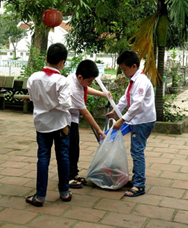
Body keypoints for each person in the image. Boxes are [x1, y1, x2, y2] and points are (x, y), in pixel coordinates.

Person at [25, 43, 72, 207]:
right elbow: (66, 104)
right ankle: (64, 192)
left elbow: (32, 98)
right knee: (63, 157)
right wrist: (56, 105)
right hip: (60, 124)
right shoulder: (62, 81)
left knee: (43, 157)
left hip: (42, 123)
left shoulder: (33, 78)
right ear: (62, 62)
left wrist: (46, 105)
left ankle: (40, 196)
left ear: (46, 59)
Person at [107, 50, 156, 197]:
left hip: (142, 121)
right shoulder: (134, 80)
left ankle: (139, 184)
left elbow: (137, 105)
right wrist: (115, 111)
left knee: (137, 151)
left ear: (134, 66)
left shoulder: (141, 81)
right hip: (138, 120)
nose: (123, 72)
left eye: (124, 69)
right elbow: (125, 98)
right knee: (136, 150)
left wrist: (122, 120)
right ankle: (136, 179)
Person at [67, 60, 107, 188]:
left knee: (75, 148)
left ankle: (73, 173)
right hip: (67, 120)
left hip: (72, 118)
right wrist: (99, 130)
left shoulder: (76, 79)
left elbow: (85, 87)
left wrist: (101, 94)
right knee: (71, 149)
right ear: (80, 77)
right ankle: (68, 177)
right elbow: (86, 113)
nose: (90, 83)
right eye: (89, 80)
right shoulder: (73, 88)